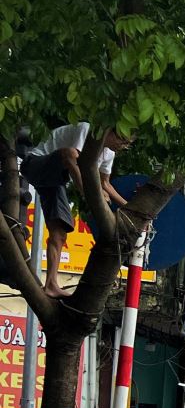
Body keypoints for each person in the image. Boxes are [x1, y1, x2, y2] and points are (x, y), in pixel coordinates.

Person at [19, 124, 133, 298]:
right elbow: (73, 159)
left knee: (60, 232)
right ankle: (87, 192)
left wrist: (129, 207)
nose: (123, 146)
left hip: (54, 181)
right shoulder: (87, 130)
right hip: (35, 164)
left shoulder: (109, 154)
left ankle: (50, 285)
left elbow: (105, 184)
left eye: (127, 144)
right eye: (122, 140)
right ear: (111, 131)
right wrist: (91, 193)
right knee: (70, 153)